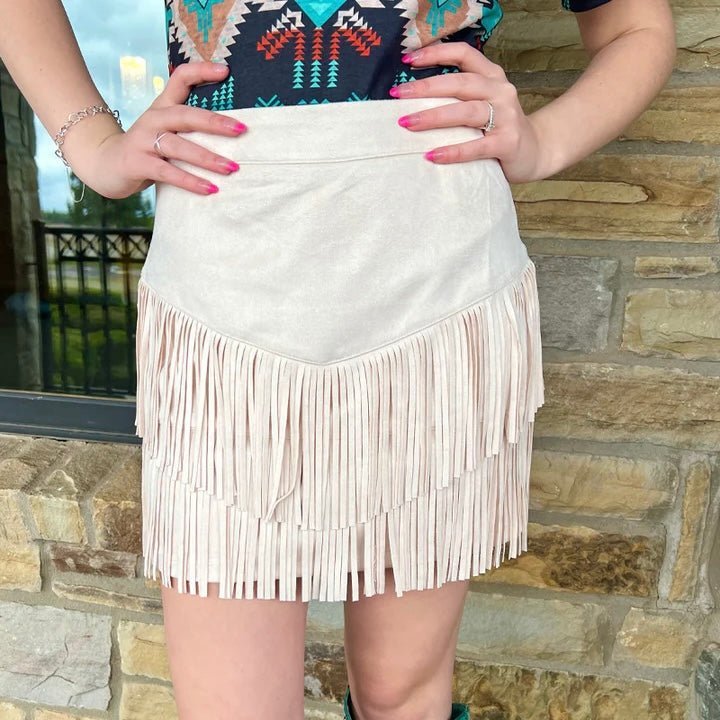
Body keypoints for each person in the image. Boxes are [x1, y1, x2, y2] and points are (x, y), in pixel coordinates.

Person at [0, 1, 675, 719]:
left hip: (435, 288)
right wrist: (93, 144)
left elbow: (637, 28)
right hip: (225, 291)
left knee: (401, 695)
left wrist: (544, 142)